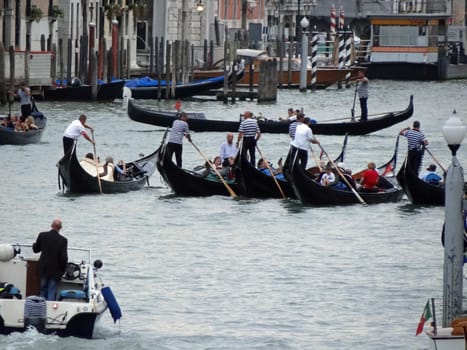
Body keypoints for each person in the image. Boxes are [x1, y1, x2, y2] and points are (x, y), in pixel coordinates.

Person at [32, 219, 68, 301]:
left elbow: (36, 249)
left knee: (43, 289)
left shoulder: (42, 235)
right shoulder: (63, 240)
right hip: (55, 270)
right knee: (51, 290)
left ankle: (41, 308)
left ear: (51, 225)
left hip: (43, 268)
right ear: (60, 228)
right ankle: (50, 309)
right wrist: (63, 269)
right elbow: (63, 258)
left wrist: (34, 245)